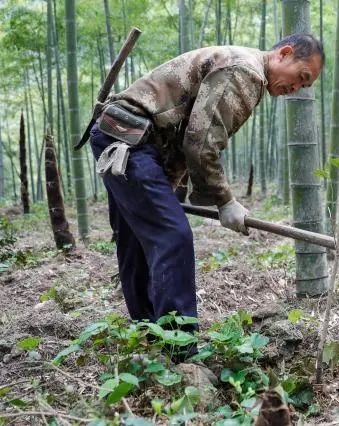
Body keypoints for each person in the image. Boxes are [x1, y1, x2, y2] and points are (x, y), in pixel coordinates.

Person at [88, 34, 324, 359]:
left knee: (135, 240)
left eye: (303, 86)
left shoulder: (241, 64)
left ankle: (147, 338)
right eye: (301, 77)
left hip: (118, 133)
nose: (295, 88)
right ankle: (180, 352)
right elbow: (200, 141)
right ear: (284, 53)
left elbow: (183, 134)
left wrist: (175, 188)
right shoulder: (247, 72)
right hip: (130, 139)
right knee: (173, 237)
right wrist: (225, 200)